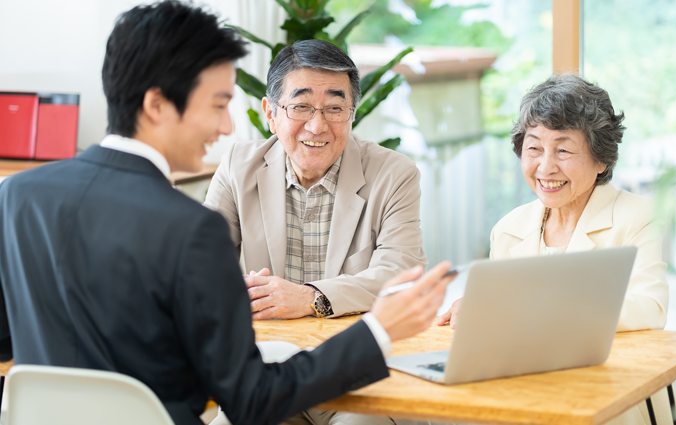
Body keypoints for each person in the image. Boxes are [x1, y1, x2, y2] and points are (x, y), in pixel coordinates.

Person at [0, 3, 454, 425]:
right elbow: (253, 397)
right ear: (157, 104)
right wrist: (377, 332)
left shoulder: (17, 195)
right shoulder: (187, 227)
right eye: (217, 104)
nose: (227, 126)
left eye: (334, 108)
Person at [436, 74, 676, 425]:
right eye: (534, 148)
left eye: (564, 150)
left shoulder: (636, 216)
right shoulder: (508, 229)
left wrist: (531, 306)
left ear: (601, 160)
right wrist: (481, 308)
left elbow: (651, 308)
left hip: (609, 384)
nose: (546, 166)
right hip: (525, 380)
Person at [203, 39, 428, 321]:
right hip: (270, 342)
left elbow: (401, 275)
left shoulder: (394, 174)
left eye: (335, 108)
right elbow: (202, 259)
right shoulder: (239, 165)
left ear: (352, 115)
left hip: (353, 343)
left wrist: (312, 297)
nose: (317, 126)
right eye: (300, 106)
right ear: (271, 114)